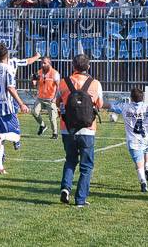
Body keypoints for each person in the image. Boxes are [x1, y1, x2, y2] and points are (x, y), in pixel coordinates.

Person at [56, 54, 102, 208]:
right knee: (86, 166)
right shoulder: (95, 84)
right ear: (88, 67)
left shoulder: (64, 82)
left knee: (70, 160)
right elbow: (99, 104)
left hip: (67, 128)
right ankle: (80, 199)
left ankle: (65, 188)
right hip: (87, 129)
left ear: (73, 66)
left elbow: (57, 102)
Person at [0, 42, 29, 175]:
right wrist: (21, 103)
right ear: (6, 54)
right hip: (7, 107)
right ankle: (2, 137)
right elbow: (10, 87)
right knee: (16, 136)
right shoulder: (7, 69)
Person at [31, 57, 60, 139]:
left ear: (49, 63)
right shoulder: (39, 72)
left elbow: (58, 87)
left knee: (52, 117)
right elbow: (35, 84)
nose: (42, 65)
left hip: (50, 99)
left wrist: (55, 98)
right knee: (34, 112)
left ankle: (55, 133)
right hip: (40, 98)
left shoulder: (55, 73)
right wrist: (33, 81)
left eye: (44, 63)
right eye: (42, 63)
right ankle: (43, 125)